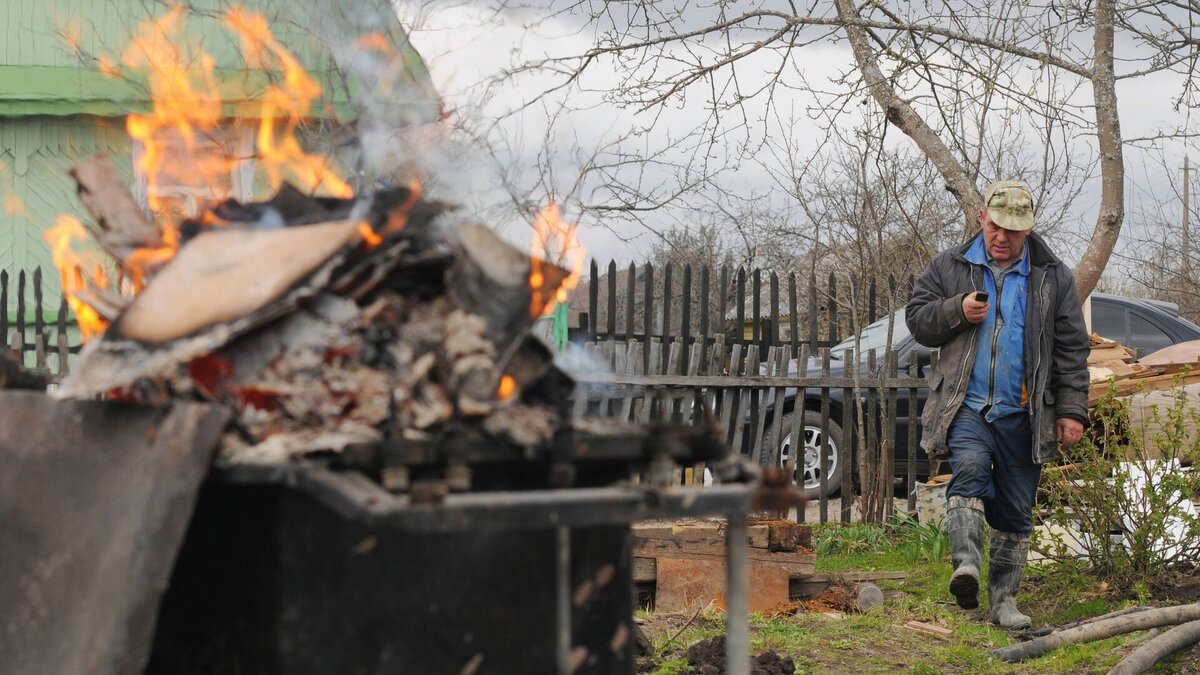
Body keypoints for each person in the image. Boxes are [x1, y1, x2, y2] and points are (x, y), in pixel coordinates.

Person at [905, 179, 1090, 629]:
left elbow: (1070, 347)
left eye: (1012, 231)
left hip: (1025, 413)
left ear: (1028, 230)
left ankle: (1003, 601)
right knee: (968, 469)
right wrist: (955, 311)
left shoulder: (1052, 276)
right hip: (967, 405)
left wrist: (1071, 410)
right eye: (994, 227)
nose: (1001, 238)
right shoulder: (951, 266)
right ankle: (966, 565)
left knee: (1015, 507)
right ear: (982, 218)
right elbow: (917, 320)